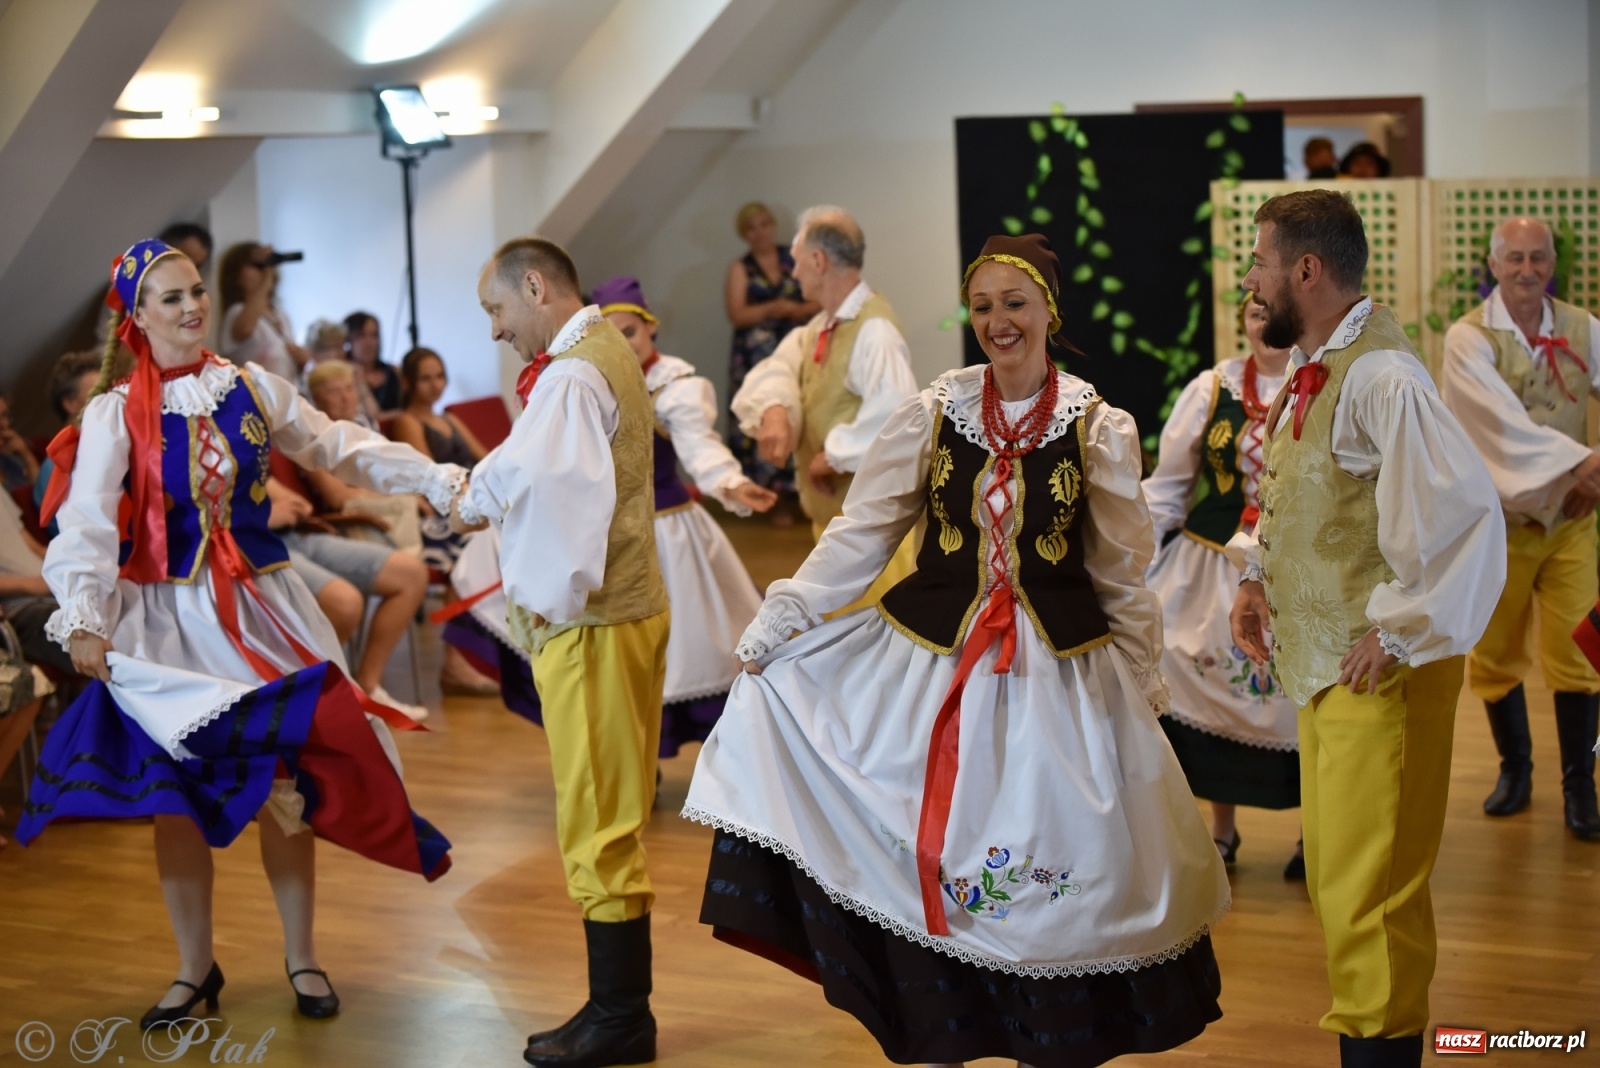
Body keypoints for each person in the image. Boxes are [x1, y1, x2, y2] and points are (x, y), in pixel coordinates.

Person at [685, 234, 1230, 1068]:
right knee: (914, 852)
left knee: (1051, 861)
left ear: (1049, 310)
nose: (997, 322)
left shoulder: (1098, 426)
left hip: (1060, 680)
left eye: (1015, 304)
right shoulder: (937, 410)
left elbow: (1120, 573)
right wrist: (785, 616)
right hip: (927, 659)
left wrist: (1142, 674)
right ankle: (940, 1029)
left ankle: (1046, 1033)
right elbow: (861, 536)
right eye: (982, 307)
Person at [17, 239, 465, 1029]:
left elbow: (338, 444)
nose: (191, 307)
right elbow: (85, 519)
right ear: (136, 317)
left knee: (283, 790)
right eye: (171, 298)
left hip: (263, 605)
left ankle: (303, 956)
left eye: (195, 291)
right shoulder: (115, 412)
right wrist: (84, 615)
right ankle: (194, 969)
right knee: (176, 801)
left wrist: (430, 477)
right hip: (162, 622)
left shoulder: (253, 385)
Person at [1228, 190, 1505, 1067]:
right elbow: (1314, 500)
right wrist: (1255, 577)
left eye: (1261, 261)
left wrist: (1398, 631)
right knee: (1349, 891)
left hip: (1379, 674)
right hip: (1332, 671)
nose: (1251, 279)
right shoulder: (1319, 367)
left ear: (1306, 270)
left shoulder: (1383, 376)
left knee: (1371, 898)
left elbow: (1463, 519)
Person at [450, 237, 670, 1068]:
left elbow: (566, 508)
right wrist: (475, 491)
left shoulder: (575, 372)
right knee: (601, 812)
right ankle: (616, 1010)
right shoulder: (593, 350)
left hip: (596, 624)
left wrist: (541, 610)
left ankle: (622, 1017)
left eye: (496, 309)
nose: (496, 329)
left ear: (535, 287)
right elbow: (530, 464)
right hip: (621, 616)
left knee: (598, 820)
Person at [1439, 216, 1600, 841]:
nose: (1527, 270)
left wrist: (1595, 471)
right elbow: (1499, 427)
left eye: (1538, 258)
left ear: (1552, 263)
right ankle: (1515, 771)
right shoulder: (1468, 339)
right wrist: (1582, 464)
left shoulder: (1585, 328)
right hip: (1498, 524)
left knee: (1581, 651)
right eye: (1515, 259)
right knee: (1498, 652)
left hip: (1573, 519)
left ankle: (1579, 787)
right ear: (1494, 263)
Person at [1142, 292, 1302, 875]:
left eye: (1274, 315)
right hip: (1210, 566)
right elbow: (1169, 486)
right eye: (1256, 316)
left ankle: (1316, 835)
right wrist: (1127, 555)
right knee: (1193, 676)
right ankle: (1223, 831)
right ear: (1243, 322)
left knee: (1301, 697)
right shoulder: (1213, 388)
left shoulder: (1323, 383)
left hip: (1295, 571)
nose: (1265, 326)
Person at [731, 205, 921, 604]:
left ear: (818, 261)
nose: (793, 273)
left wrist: (833, 456)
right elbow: (779, 364)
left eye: (797, 263)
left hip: (872, 534)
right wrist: (776, 409)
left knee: (875, 641)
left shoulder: (874, 329)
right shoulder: (823, 326)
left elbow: (897, 414)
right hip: (840, 526)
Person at [263, 475, 432, 723]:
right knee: (345, 602)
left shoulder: (245, 444)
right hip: (257, 543)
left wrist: (289, 504)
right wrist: (265, 516)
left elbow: (294, 501)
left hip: (297, 535)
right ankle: (310, 697)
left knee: (411, 573)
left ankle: (368, 688)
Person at [724, 201, 816, 505]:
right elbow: (737, 314)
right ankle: (770, 495)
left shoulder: (793, 258)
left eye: (764, 224)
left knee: (799, 408)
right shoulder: (741, 268)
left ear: (773, 225)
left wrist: (797, 310)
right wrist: (771, 309)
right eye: (752, 228)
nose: (760, 232)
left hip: (798, 349)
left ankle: (802, 490)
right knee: (764, 411)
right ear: (744, 234)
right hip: (756, 354)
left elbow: (819, 298)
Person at [33, 350, 103, 538]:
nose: (108, 400)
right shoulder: (57, 465)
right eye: (98, 393)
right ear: (70, 403)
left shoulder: (103, 445)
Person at [218, 241, 308, 381]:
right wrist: (266, 279)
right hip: (257, 398)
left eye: (266, 266)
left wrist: (303, 361)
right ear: (236, 275)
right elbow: (245, 329)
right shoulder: (236, 312)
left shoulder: (279, 313)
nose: (265, 270)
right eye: (258, 266)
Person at [344, 311, 403, 416]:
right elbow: (374, 417)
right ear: (347, 340)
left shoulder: (393, 371)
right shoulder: (344, 376)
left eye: (374, 335)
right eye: (361, 335)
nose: (369, 342)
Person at [0, 393, 39, 493]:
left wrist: (25, 453)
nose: (4, 424)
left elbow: (42, 492)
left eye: (4, 415)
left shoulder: (8, 456)